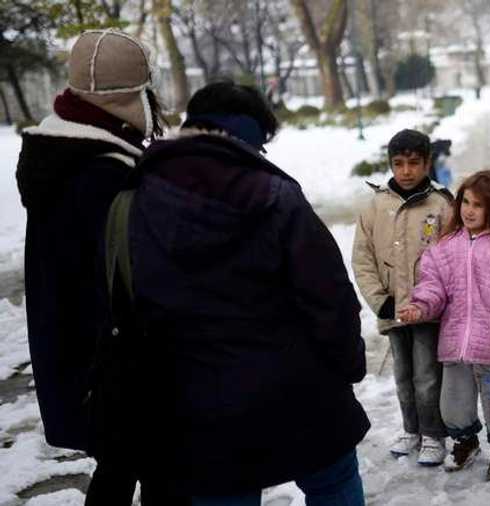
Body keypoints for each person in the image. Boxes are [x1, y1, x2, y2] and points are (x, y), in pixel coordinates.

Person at [121, 81, 370, 504]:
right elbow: (329, 298)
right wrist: (348, 364)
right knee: (334, 482)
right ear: (249, 135)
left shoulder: (137, 195)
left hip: (199, 404)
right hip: (300, 390)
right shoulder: (276, 196)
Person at [14, 29, 166, 505]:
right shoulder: (106, 173)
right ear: (132, 96)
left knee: (119, 467)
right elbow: (132, 279)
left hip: (79, 356)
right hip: (116, 362)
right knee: (159, 469)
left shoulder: (58, 154)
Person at [397, 170, 490, 481]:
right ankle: (466, 441)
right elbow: (433, 286)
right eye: (466, 202)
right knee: (453, 403)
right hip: (454, 341)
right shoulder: (445, 247)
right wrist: (420, 307)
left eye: (479, 205)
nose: (469, 210)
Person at [352, 129, 454, 466]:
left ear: (427, 163)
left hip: (428, 311)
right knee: (403, 376)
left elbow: (453, 259)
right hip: (392, 308)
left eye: (414, 163)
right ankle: (411, 429)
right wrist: (380, 300)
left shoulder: (440, 205)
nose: (406, 171)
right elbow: (362, 257)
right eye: (399, 164)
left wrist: (436, 301)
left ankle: (433, 434)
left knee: (427, 376)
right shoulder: (376, 206)